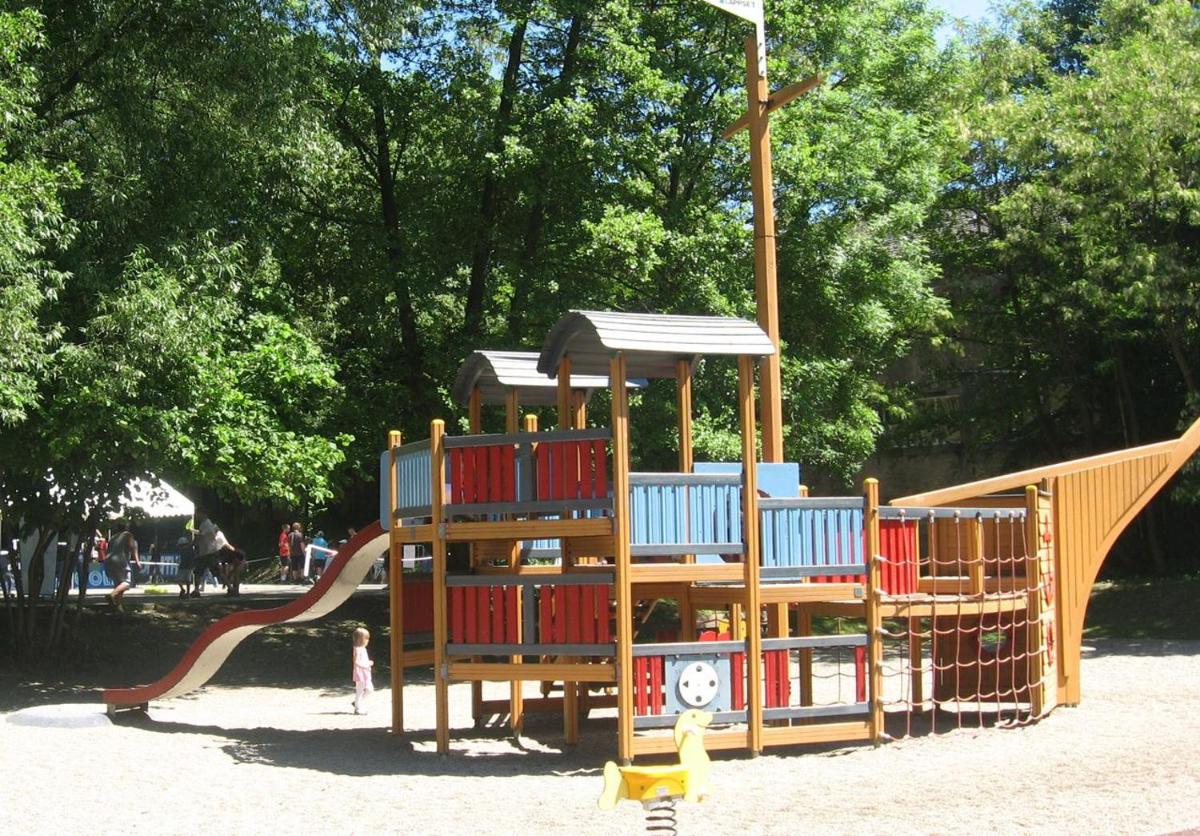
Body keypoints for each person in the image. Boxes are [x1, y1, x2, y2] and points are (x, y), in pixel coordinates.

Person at [194, 512, 246, 597]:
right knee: (218, 572)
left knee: (199, 571)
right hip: (213, 553)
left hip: (211, 553)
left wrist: (233, 551)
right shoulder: (209, 528)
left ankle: (232, 590)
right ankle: (232, 590)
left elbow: (224, 544)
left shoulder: (213, 531)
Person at [103, 522, 140, 612]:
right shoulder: (128, 535)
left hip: (109, 560)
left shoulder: (113, 537)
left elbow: (107, 549)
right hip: (120, 561)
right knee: (127, 583)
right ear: (126, 527)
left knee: (119, 585)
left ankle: (119, 608)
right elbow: (132, 548)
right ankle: (112, 595)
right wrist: (137, 561)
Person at [351, 626, 374, 715]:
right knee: (360, 690)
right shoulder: (357, 649)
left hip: (366, 672)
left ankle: (357, 702)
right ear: (360, 639)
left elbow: (363, 660)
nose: (368, 640)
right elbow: (356, 662)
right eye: (366, 638)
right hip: (360, 673)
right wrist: (366, 665)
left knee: (370, 689)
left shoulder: (363, 649)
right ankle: (358, 708)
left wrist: (368, 662)